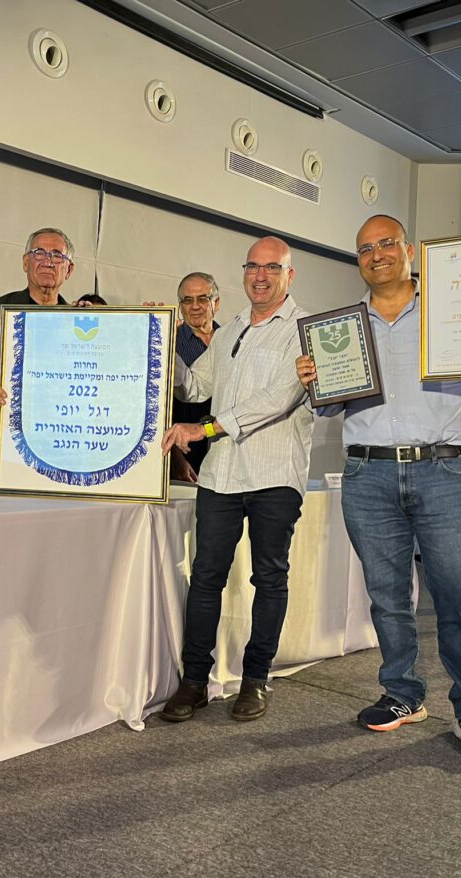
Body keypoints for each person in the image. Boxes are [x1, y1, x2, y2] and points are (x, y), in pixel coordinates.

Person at [296, 215, 461, 761]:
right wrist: (316, 382)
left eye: (386, 243)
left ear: (409, 250)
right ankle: (402, 693)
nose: (376, 254)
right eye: (365, 248)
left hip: (445, 471)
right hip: (368, 473)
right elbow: (331, 408)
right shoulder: (341, 330)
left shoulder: (453, 314)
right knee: (387, 597)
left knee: (459, 595)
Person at [159, 237, 313, 723]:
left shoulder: (304, 331)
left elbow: (277, 400)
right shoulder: (231, 331)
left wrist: (203, 429)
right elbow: (195, 387)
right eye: (252, 267)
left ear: (289, 275)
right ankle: (194, 682)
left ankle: (255, 679)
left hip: (274, 473)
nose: (260, 276)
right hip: (220, 475)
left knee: (269, 578)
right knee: (205, 577)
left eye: (272, 268)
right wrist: (155, 340)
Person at [0, 228, 75, 491]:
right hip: (1, 454)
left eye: (57, 255)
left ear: (69, 269)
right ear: (25, 262)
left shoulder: (78, 321)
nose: (48, 261)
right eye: (39, 253)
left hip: (61, 454)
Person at [170, 272, 221, 483]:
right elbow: (156, 406)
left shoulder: (231, 340)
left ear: (216, 303)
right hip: (186, 452)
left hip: (224, 451)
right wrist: (175, 458)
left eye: (202, 299)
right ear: (180, 306)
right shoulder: (169, 341)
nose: (195, 306)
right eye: (187, 300)